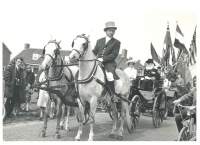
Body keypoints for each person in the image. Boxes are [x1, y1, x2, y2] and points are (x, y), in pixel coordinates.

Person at [92, 21, 120, 102]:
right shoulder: (99, 40)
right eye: (109, 30)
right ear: (106, 31)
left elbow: (114, 54)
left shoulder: (116, 42)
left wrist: (103, 59)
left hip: (109, 63)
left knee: (109, 75)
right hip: (97, 61)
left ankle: (113, 95)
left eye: (113, 31)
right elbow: (95, 51)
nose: (111, 32)